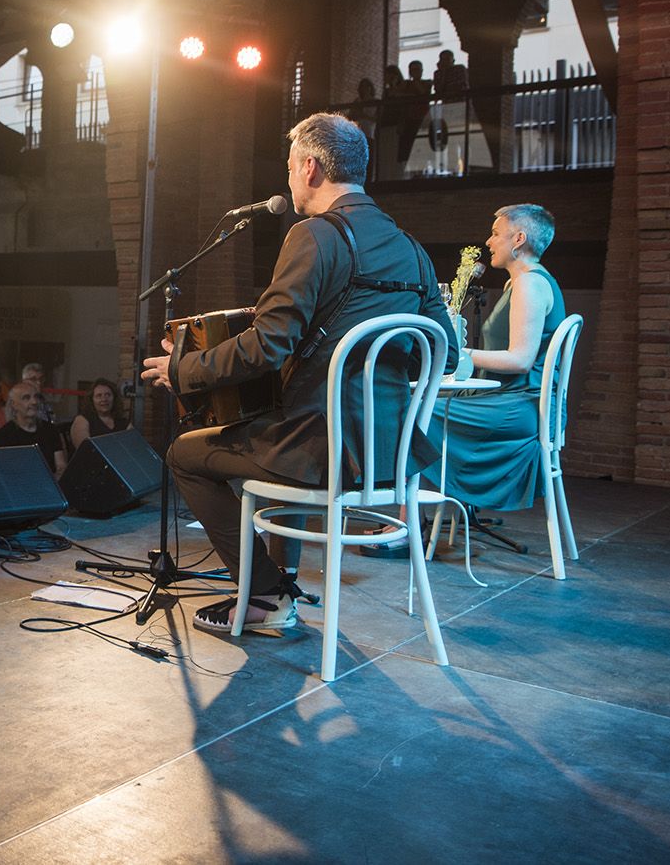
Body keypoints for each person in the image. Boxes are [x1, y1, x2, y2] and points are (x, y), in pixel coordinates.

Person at [142, 112, 456, 635]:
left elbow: (269, 344)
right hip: (389, 454)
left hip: (318, 451)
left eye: (290, 168)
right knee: (275, 437)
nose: (287, 180)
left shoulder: (315, 236)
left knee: (187, 454)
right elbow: (439, 354)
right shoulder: (413, 251)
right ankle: (277, 581)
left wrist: (186, 368)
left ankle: (265, 596)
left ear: (310, 167)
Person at [430, 204, 565, 513]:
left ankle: (405, 526)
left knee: (417, 412)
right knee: (422, 406)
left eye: (494, 234)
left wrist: (463, 355)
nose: (488, 242)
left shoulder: (530, 284)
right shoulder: (519, 282)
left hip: (520, 407)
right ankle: (422, 517)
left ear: (518, 239)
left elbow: (520, 360)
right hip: (511, 400)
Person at [0, 382, 67, 477]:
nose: (34, 402)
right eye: (26, 398)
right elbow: (8, 472)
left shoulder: (50, 430)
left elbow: (61, 465)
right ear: (13, 404)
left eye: (36, 397)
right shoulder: (3, 435)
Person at [69, 377, 129, 451]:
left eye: (108, 395)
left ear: (114, 398)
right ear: (92, 400)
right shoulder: (82, 420)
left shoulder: (122, 421)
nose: (104, 399)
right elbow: (85, 449)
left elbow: (133, 445)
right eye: (99, 396)